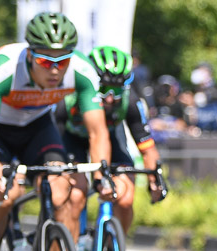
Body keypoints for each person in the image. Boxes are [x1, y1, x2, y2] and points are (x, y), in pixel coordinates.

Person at [0, 12, 102, 251]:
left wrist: (100, 175)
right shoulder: (5, 67)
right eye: (46, 61)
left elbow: (98, 132)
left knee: (67, 192)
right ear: (29, 55)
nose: (56, 69)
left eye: (63, 61)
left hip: (38, 128)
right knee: (3, 196)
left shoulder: (83, 70)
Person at [57, 45, 166, 233]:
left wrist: (155, 178)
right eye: (104, 89)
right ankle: (71, 248)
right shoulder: (70, 96)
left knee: (125, 199)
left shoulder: (130, 100)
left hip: (112, 138)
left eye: (116, 90)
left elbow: (147, 146)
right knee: (76, 193)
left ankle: (113, 248)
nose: (110, 98)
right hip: (72, 139)